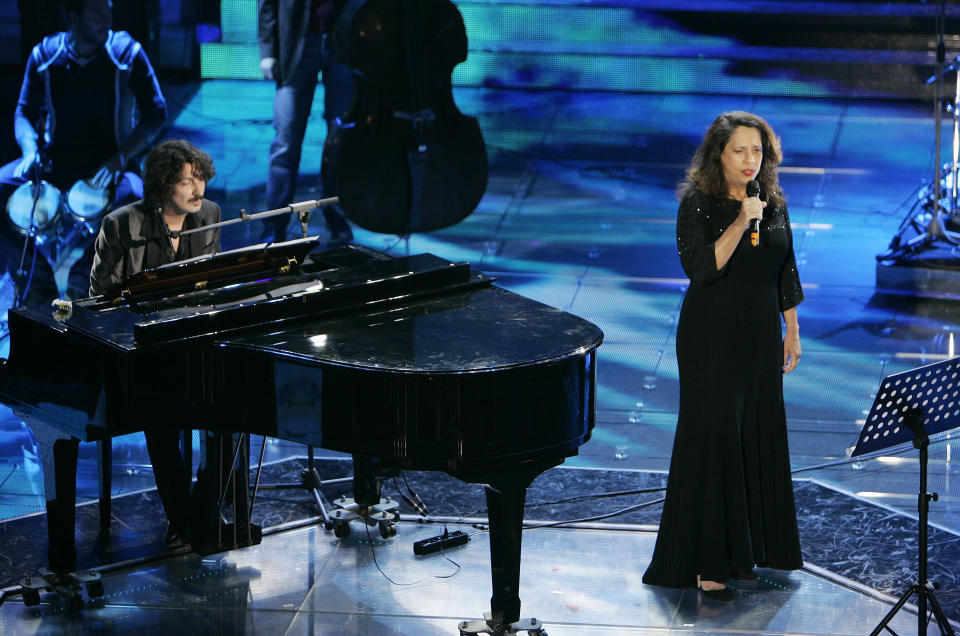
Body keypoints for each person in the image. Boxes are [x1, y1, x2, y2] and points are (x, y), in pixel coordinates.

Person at [642, 111, 804, 601]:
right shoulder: (698, 203)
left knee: (754, 434)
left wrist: (791, 330)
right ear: (719, 155)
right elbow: (701, 267)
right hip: (710, 337)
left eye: (757, 151)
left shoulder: (772, 201)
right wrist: (740, 221)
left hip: (759, 335)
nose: (750, 160)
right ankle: (707, 563)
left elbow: (785, 268)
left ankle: (746, 553)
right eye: (740, 151)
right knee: (715, 438)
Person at [90, 139, 221, 547]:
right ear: (164, 186)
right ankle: (182, 520)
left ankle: (203, 512)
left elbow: (214, 287)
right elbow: (101, 297)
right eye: (187, 182)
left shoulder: (212, 216)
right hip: (142, 352)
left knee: (235, 416)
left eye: (200, 179)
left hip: (197, 344)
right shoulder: (121, 225)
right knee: (161, 420)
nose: (197, 190)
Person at [1, 0, 167, 305]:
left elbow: (157, 113)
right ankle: (38, 282)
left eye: (108, 13)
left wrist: (122, 157)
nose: (106, 20)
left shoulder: (126, 53)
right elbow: (22, 112)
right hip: (55, 164)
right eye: (96, 14)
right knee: (1, 186)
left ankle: (84, 277)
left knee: (136, 200)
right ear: (73, 16)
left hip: (109, 165)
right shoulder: (45, 55)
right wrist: (29, 149)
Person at [257, 0, 354, 244]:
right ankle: (275, 223)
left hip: (342, 42)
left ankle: (337, 214)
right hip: (297, 43)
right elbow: (267, 4)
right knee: (285, 142)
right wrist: (268, 51)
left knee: (341, 140)